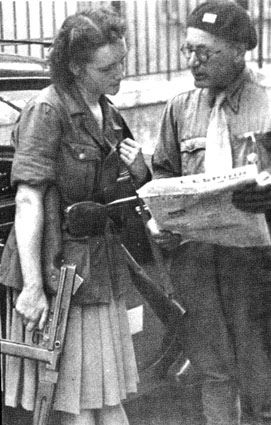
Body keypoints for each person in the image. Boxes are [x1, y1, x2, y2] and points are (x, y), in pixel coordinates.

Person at [1, 7, 150, 425]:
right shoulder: (47, 112)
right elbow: (28, 200)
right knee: (78, 406)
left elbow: (119, 191)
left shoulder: (108, 112)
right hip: (57, 274)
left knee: (106, 398)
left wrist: (139, 171)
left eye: (122, 61)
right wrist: (32, 287)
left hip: (97, 270)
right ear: (75, 66)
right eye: (108, 67)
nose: (119, 74)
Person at [151, 2, 271, 424]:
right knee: (212, 370)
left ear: (240, 49)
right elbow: (163, 176)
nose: (193, 62)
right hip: (198, 262)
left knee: (262, 375)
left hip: (256, 264)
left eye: (206, 52)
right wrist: (161, 222)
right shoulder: (180, 109)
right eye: (188, 50)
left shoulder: (269, 103)